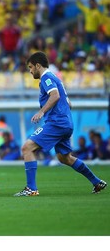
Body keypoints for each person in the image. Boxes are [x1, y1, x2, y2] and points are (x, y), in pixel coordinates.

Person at [14, 51, 107, 197]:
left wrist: (42, 112)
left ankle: (31, 189)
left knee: (27, 148)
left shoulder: (46, 77)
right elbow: (69, 103)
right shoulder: (56, 79)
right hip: (66, 123)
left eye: (31, 67)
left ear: (38, 65)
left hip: (56, 123)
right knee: (64, 158)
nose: (30, 71)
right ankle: (96, 181)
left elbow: (55, 96)